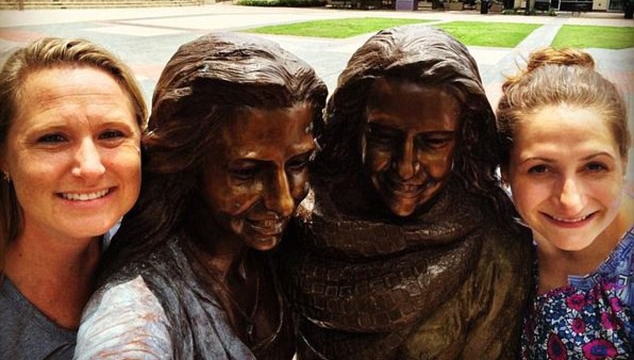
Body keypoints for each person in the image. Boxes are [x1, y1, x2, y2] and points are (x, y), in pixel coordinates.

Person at [278, 25, 533, 359]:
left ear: (465, 140)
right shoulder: (296, 219)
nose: (405, 167)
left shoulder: (496, 250)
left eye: (434, 142)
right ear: (354, 130)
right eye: (383, 137)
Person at [73, 32, 328, 359]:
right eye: (246, 172)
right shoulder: (135, 303)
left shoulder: (289, 246)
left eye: (297, 164)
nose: (283, 202)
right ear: (185, 163)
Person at [0, 37, 147, 359]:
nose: (90, 168)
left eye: (111, 134)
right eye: (53, 138)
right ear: (4, 157)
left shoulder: (159, 251)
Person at [496, 47, 633, 359]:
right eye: (540, 169)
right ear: (505, 171)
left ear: (624, 160)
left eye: (594, 166)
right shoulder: (502, 236)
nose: (570, 201)